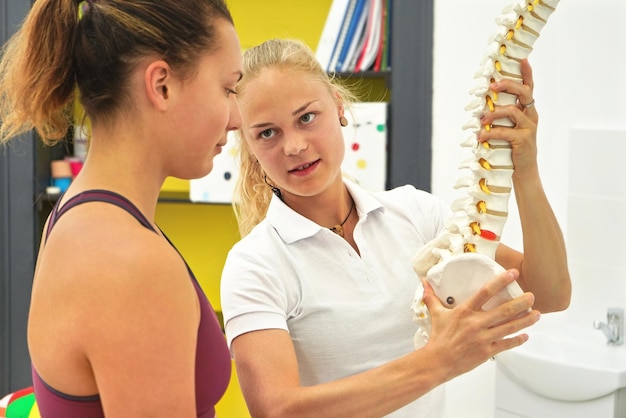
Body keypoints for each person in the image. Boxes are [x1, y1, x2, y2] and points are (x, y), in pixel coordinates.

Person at [220, 38, 571, 417]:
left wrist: (526, 170)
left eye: (306, 117)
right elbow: (276, 410)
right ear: (248, 144)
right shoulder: (255, 264)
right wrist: (440, 361)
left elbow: (549, 294)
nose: (293, 146)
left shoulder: (415, 214)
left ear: (338, 106)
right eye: (267, 133)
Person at [0, 1, 242, 417]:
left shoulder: (82, 216)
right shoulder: (128, 262)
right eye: (228, 88)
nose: (237, 117)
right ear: (161, 85)